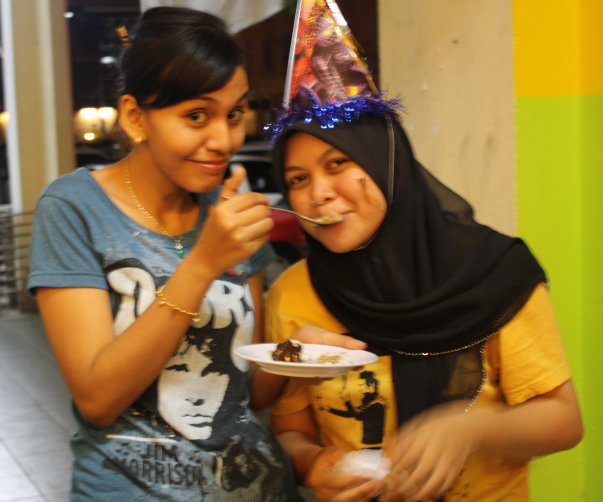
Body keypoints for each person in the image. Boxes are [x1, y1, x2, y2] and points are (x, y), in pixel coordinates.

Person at [27, 7, 301, 500]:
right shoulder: (73, 208)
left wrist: (299, 350)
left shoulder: (228, 209)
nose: (223, 140)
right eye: (196, 116)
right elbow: (98, 399)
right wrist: (203, 263)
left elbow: (250, 390)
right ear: (136, 117)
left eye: (234, 114)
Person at [265, 114, 584, 502]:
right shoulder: (293, 293)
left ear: (386, 163)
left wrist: (470, 429)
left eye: (337, 163)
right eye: (298, 179)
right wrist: (312, 464)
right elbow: (291, 431)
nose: (318, 193)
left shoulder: (495, 273)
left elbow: (563, 420)